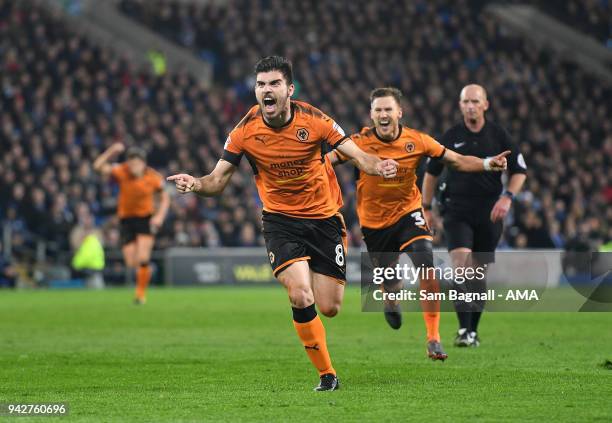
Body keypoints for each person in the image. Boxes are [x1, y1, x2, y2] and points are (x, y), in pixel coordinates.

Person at [167, 56, 399, 391]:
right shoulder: (244, 131)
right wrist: (197, 184)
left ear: (289, 89)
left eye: (274, 83)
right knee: (300, 294)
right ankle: (327, 374)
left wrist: (379, 167)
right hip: (280, 221)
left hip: (324, 219)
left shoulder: (316, 120)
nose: (266, 90)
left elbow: (359, 155)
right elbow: (217, 181)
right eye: (261, 85)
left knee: (330, 307)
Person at [327, 87, 509, 361]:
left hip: (408, 212)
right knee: (390, 283)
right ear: (371, 114)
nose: (383, 114)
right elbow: (325, 161)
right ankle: (390, 300)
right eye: (378, 110)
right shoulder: (358, 143)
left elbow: (457, 161)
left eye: (388, 109)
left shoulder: (418, 141)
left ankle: (433, 338)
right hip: (374, 224)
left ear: (399, 112)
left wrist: (486, 164)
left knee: (425, 260)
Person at [422, 84, 527, 347]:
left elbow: (519, 170)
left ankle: (472, 331)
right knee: (460, 266)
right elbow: (431, 173)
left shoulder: (498, 135)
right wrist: (426, 207)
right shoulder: (451, 136)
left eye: (475, 101)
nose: (470, 106)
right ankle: (462, 329)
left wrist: (507, 197)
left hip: (489, 212)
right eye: (465, 101)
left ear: (485, 105)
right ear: (460, 105)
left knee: (478, 274)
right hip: (456, 210)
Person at [93, 144, 170, 304]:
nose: (133, 166)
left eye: (136, 163)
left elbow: (165, 198)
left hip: (145, 219)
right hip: (126, 220)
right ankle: (146, 275)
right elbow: (97, 166)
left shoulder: (153, 177)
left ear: (143, 163)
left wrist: (159, 216)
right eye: (131, 163)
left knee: (143, 258)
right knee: (131, 262)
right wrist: (111, 151)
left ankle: (140, 295)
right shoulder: (122, 171)